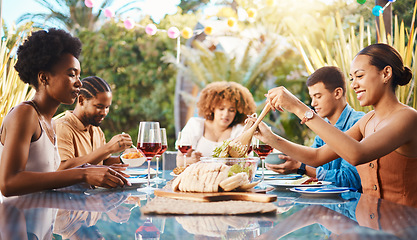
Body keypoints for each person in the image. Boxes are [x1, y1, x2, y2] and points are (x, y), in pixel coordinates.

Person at [251, 43, 417, 207]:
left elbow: (357, 154)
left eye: (359, 76)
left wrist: (298, 107)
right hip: (368, 229)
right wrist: (269, 137)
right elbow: (316, 157)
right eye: (352, 79)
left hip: (403, 229)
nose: (353, 85)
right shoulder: (366, 121)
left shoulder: (408, 118)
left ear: (386, 73)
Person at [0, 28, 131, 197]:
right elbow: (8, 183)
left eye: (79, 75)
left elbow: (50, 179)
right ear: (44, 78)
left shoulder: (47, 120)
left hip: (45, 220)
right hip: (17, 221)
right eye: (71, 74)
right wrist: (84, 173)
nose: (79, 83)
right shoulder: (24, 113)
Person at [266, 66, 363, 190]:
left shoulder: (358, 123)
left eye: (318, 96)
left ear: (337, 93)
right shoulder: (324, 126)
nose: (313, 103)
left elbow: (349, 180)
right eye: (312, 97)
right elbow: (312, 163)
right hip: (326, 204)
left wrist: (301, 167)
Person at [55, 76, 133, 170]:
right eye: (99, 106)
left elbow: (102, 161)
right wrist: (108, 147)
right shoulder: (62, 127)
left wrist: (123, 158)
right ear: (81, 100)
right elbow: (63, 168)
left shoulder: (96, 130)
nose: (104, 113)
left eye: (107, 107)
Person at [176, 81, 256, 167]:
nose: (226, 114)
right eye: (221, 109)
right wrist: (192, 160)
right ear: (212, 108)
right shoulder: (195, 125)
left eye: (231, 110)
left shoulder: (239, 131)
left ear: (237, 112)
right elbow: (179, 162)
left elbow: (249, 164)